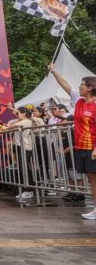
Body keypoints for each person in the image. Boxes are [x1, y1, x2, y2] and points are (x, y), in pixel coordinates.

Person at [49, 63, 96, 220]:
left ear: (90, 88)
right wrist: (53, 71)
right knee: (91, 178)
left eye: (83, 84)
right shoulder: (78, 100)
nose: (79, 86)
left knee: (94, 178)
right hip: (81, 147)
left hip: (93, 147)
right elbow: (65, 85)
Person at [1, 106, 35, 199]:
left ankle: (29, 190)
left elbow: (15, 126)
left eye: (18, 113)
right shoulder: (20, 121)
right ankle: (28, 190)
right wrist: (6, 128)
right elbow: (13, 126)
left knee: (24, 169)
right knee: (22, 168)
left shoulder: (27, 121)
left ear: (24, 114)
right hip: (20, 147)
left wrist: (7, 128)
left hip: (26, 147)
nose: (17, 115)